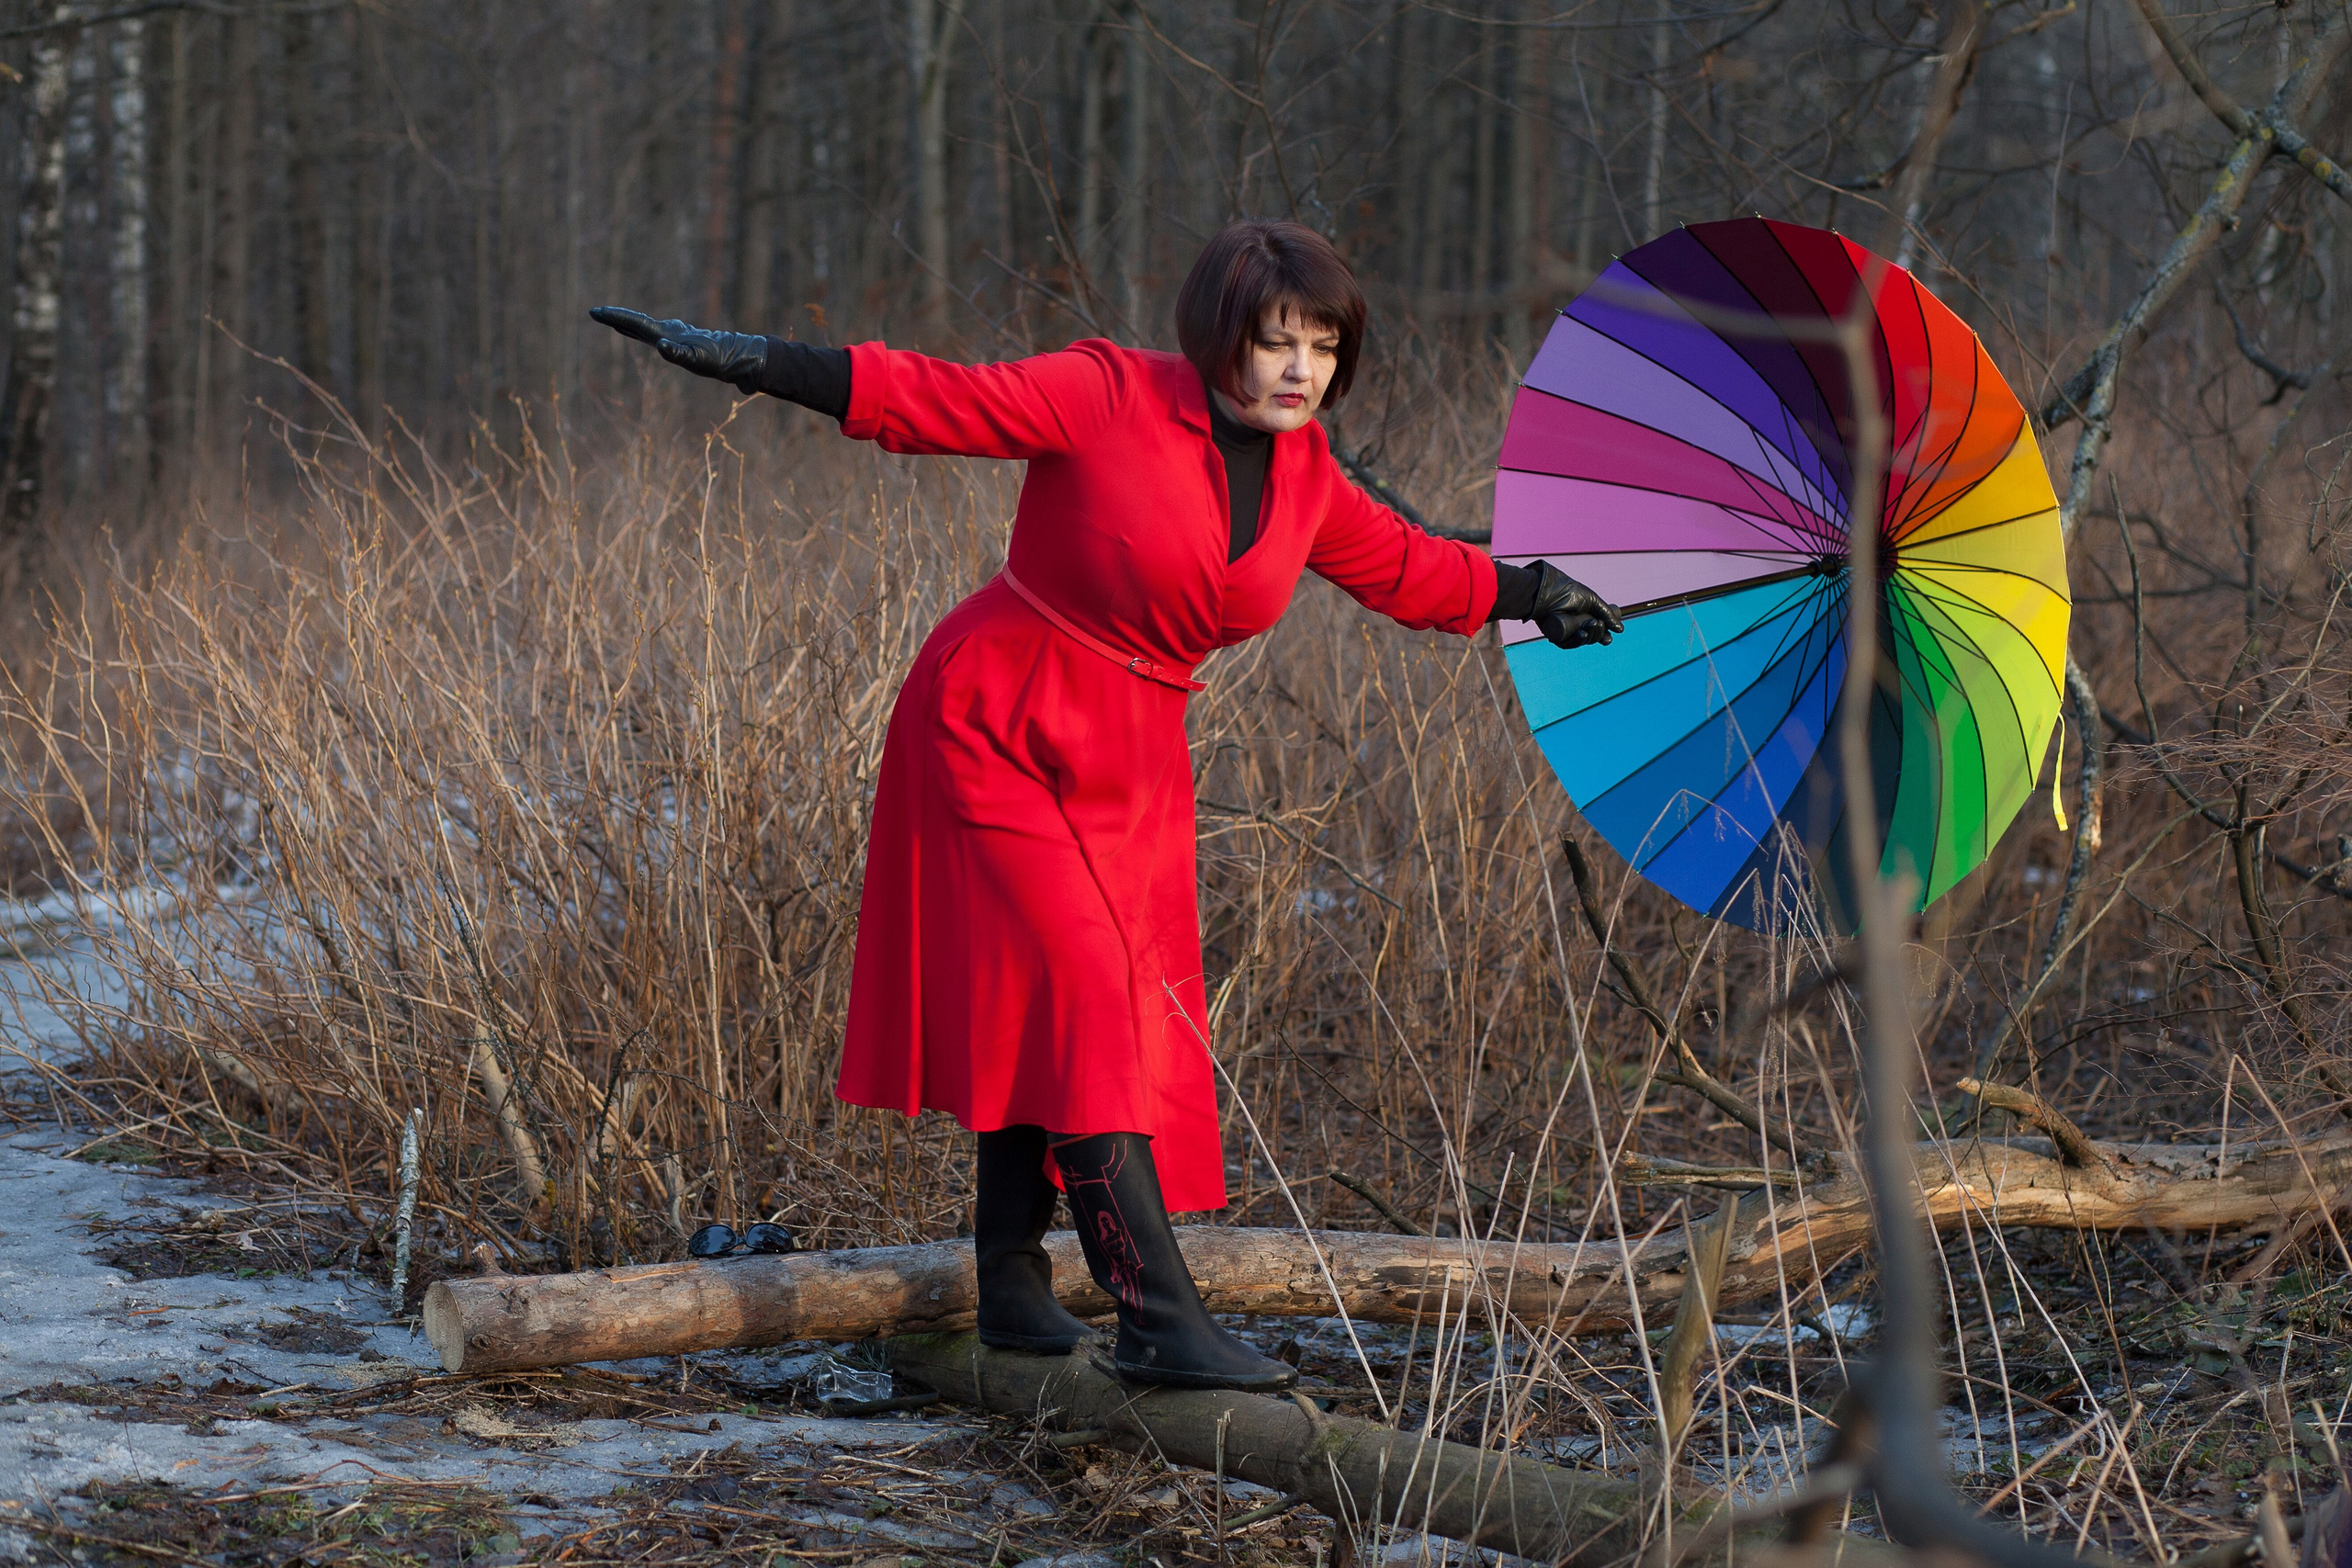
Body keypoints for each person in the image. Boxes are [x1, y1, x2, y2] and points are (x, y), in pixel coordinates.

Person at [594, 220, 1619, 1392]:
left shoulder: (1307, 472)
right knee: (1085, 1001)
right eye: (1273, 341)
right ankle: (1155, 1315)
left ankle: (1014, 1289)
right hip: (997, 717)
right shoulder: (1107, 394)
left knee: (1084, 1001)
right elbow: (941, 399)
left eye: (1322, 347)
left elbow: (1406, 564)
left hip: (1132, 758)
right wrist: (756, 360)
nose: (1297, 369)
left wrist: (1529, 590)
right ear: (1215, 337)